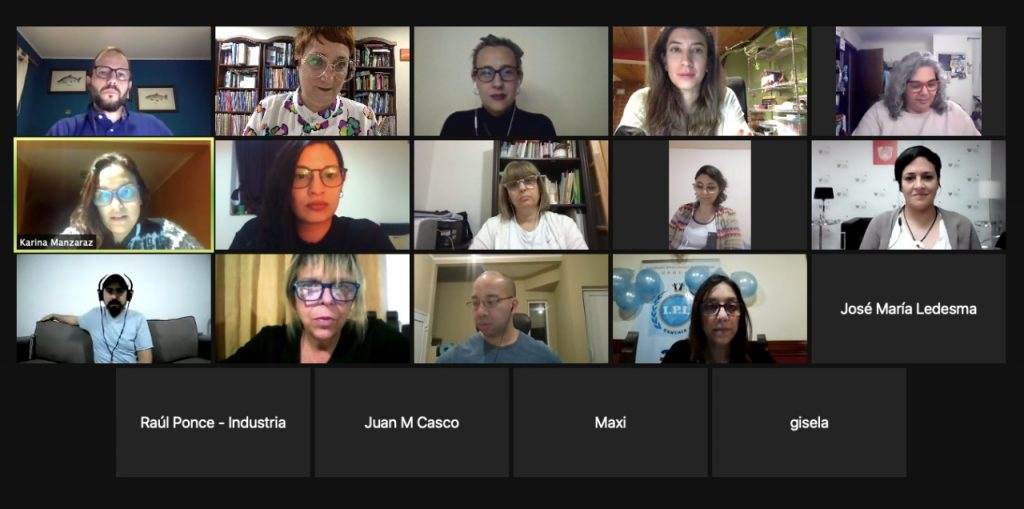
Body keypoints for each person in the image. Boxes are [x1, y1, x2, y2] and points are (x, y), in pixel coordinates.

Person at [225, 254, 408, 363]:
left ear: (354, 299)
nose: (327, 300)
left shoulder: (381, 342)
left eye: (341, 286)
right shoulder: (268, 344)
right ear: (293, 297)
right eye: (310, 286)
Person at [229, 140, 395, 251]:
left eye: (329, 175)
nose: (316, 189)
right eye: (301, 176)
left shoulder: (369, 237)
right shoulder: (253, 236)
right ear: (286, 182)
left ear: (342, 179)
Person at [616, 26, 751, 136]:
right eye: (676, 49)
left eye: (697, 50)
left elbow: (739, 134)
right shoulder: (642, 99)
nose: (686, 61)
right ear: (665, 61)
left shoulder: (725, 97)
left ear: (708, 62)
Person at [243, 26, 378, 136]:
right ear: (298, 60)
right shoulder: (268, 109)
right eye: (317, 61)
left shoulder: (364, 117)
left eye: (341, 64)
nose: (328, 77)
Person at [62, 152, 202, 249]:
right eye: (103, 195)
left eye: (127, 192)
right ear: (95, 204)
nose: (116, 206)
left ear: (140, 196)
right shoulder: (80, 236)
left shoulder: (166, 233)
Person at [860, 145, 980, 250]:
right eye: (909, 178)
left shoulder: (963, 226)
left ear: (938, 182)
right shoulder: (879, 224)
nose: (919, 185)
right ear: (900, 185)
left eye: (927, 177)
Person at [440, 34, 556, 137]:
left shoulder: (541, 126)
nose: (498, 84)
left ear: (519, 79)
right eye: (486, 73)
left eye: (507, 72)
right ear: (475, 79)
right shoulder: (455, 124)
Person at [437, 271, 561, 363]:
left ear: (513, 306)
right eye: (475, 303)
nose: (480, 312)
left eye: (491, 302)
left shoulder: (543, 356)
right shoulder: (453, 358)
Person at [46, 47, 173, 136]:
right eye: (103, 72)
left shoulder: (154, 127)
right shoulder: (63, 130)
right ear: (89, 81)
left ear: (129, 86)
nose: (112, 80)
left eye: (121, 74)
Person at [852, 52, 980, 136]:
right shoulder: (878, 112)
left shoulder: (954, 112)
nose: (924, 92)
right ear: (901, 87)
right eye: (916, 85)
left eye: (931, 84)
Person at [470, 161, 587, 249]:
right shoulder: (492, 227)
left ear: (539, 187)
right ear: (507, 195)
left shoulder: (565, 224)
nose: (522, 188)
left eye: (529, 180)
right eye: (513, 184)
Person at [39, 274, 153, 363]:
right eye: (109, 291)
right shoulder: (94, 315)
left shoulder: (138, 319)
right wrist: (55, 315)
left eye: (119, 291)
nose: (114, 296)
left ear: (128, 295)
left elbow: (145, 360)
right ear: (101, 295)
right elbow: (75, 320)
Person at [662, 274, 772, 364]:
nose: (722, 316)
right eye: (711, 306)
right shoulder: (678, 354)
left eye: (731, 306)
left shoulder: (759, 356)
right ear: (699, 316)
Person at [668, 165, 744, 249]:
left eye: (711, 187)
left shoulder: (728, 215)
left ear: (719, 189)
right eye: (699, 186)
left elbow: (735, 249)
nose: (704, 192)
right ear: (695, 187)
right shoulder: (683, 210)